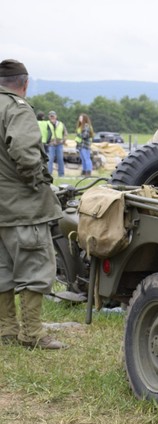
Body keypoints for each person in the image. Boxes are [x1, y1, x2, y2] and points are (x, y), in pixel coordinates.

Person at [0, 59, 66, 349]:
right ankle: (32, 333)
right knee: (36, 267)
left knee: (2, 269)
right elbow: (26, 154)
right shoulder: (17, 108)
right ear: (24, 84)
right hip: (23, 206)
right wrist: (37, 182)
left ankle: (6, 329)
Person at [46, 110, 67, 177]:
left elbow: (65, 133)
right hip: (50, 144)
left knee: (60, 160)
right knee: (50, 160)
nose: (52, 117)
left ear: (56, 116)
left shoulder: (61, 124)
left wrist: (63, 141)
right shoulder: (47, 124)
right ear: (49, 117)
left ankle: (61, 174)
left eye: (53, 115)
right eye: (51, 116)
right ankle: (49, 174)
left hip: (59, 144)